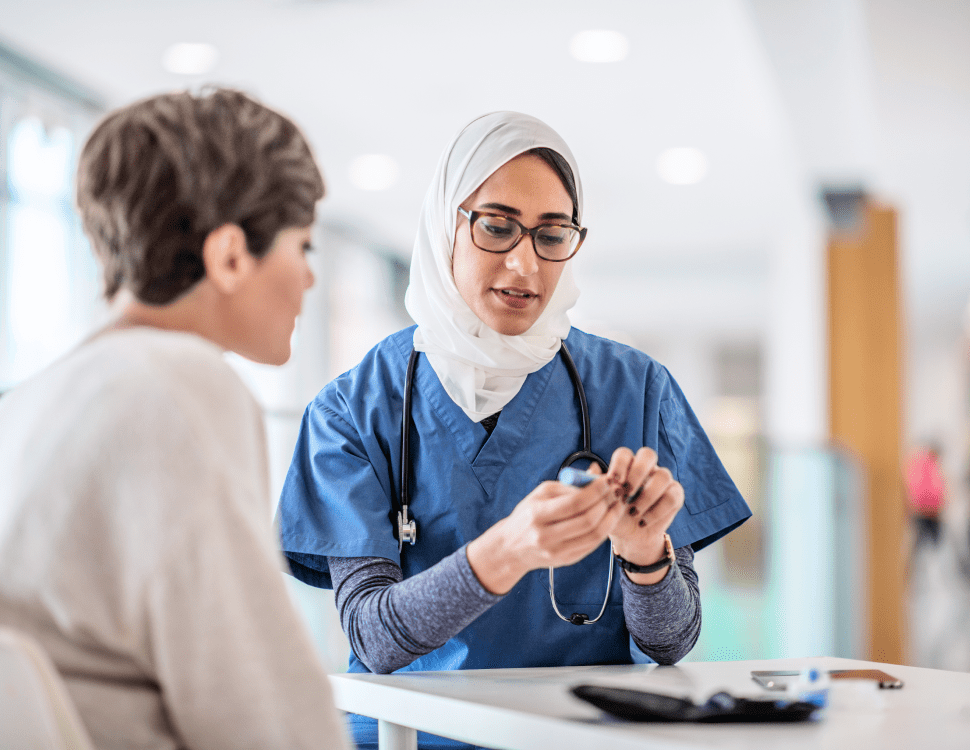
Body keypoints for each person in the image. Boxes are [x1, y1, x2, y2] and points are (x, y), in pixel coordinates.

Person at [277, 112, 751, 749]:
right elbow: (372, 636)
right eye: (496, 228)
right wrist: (509, 551)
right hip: (411, 737)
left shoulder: (635, 390)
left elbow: (671, 640)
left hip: (578, 735)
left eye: (552, 235)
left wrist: (645, 559)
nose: (525, 264)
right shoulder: (352, 410)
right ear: (447, 225)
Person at [0, 89, 349, 750]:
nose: (309, 281)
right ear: (231, 256)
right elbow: (267, 716)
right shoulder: (180, 383)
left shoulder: (27, 402)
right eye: (304, 248)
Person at [905, 444, 946, 550]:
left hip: (921, 510)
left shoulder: (918, 465)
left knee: (920, 542)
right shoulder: (931, 467)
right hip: (929, 511)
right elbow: (936, 488)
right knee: (933, 543)